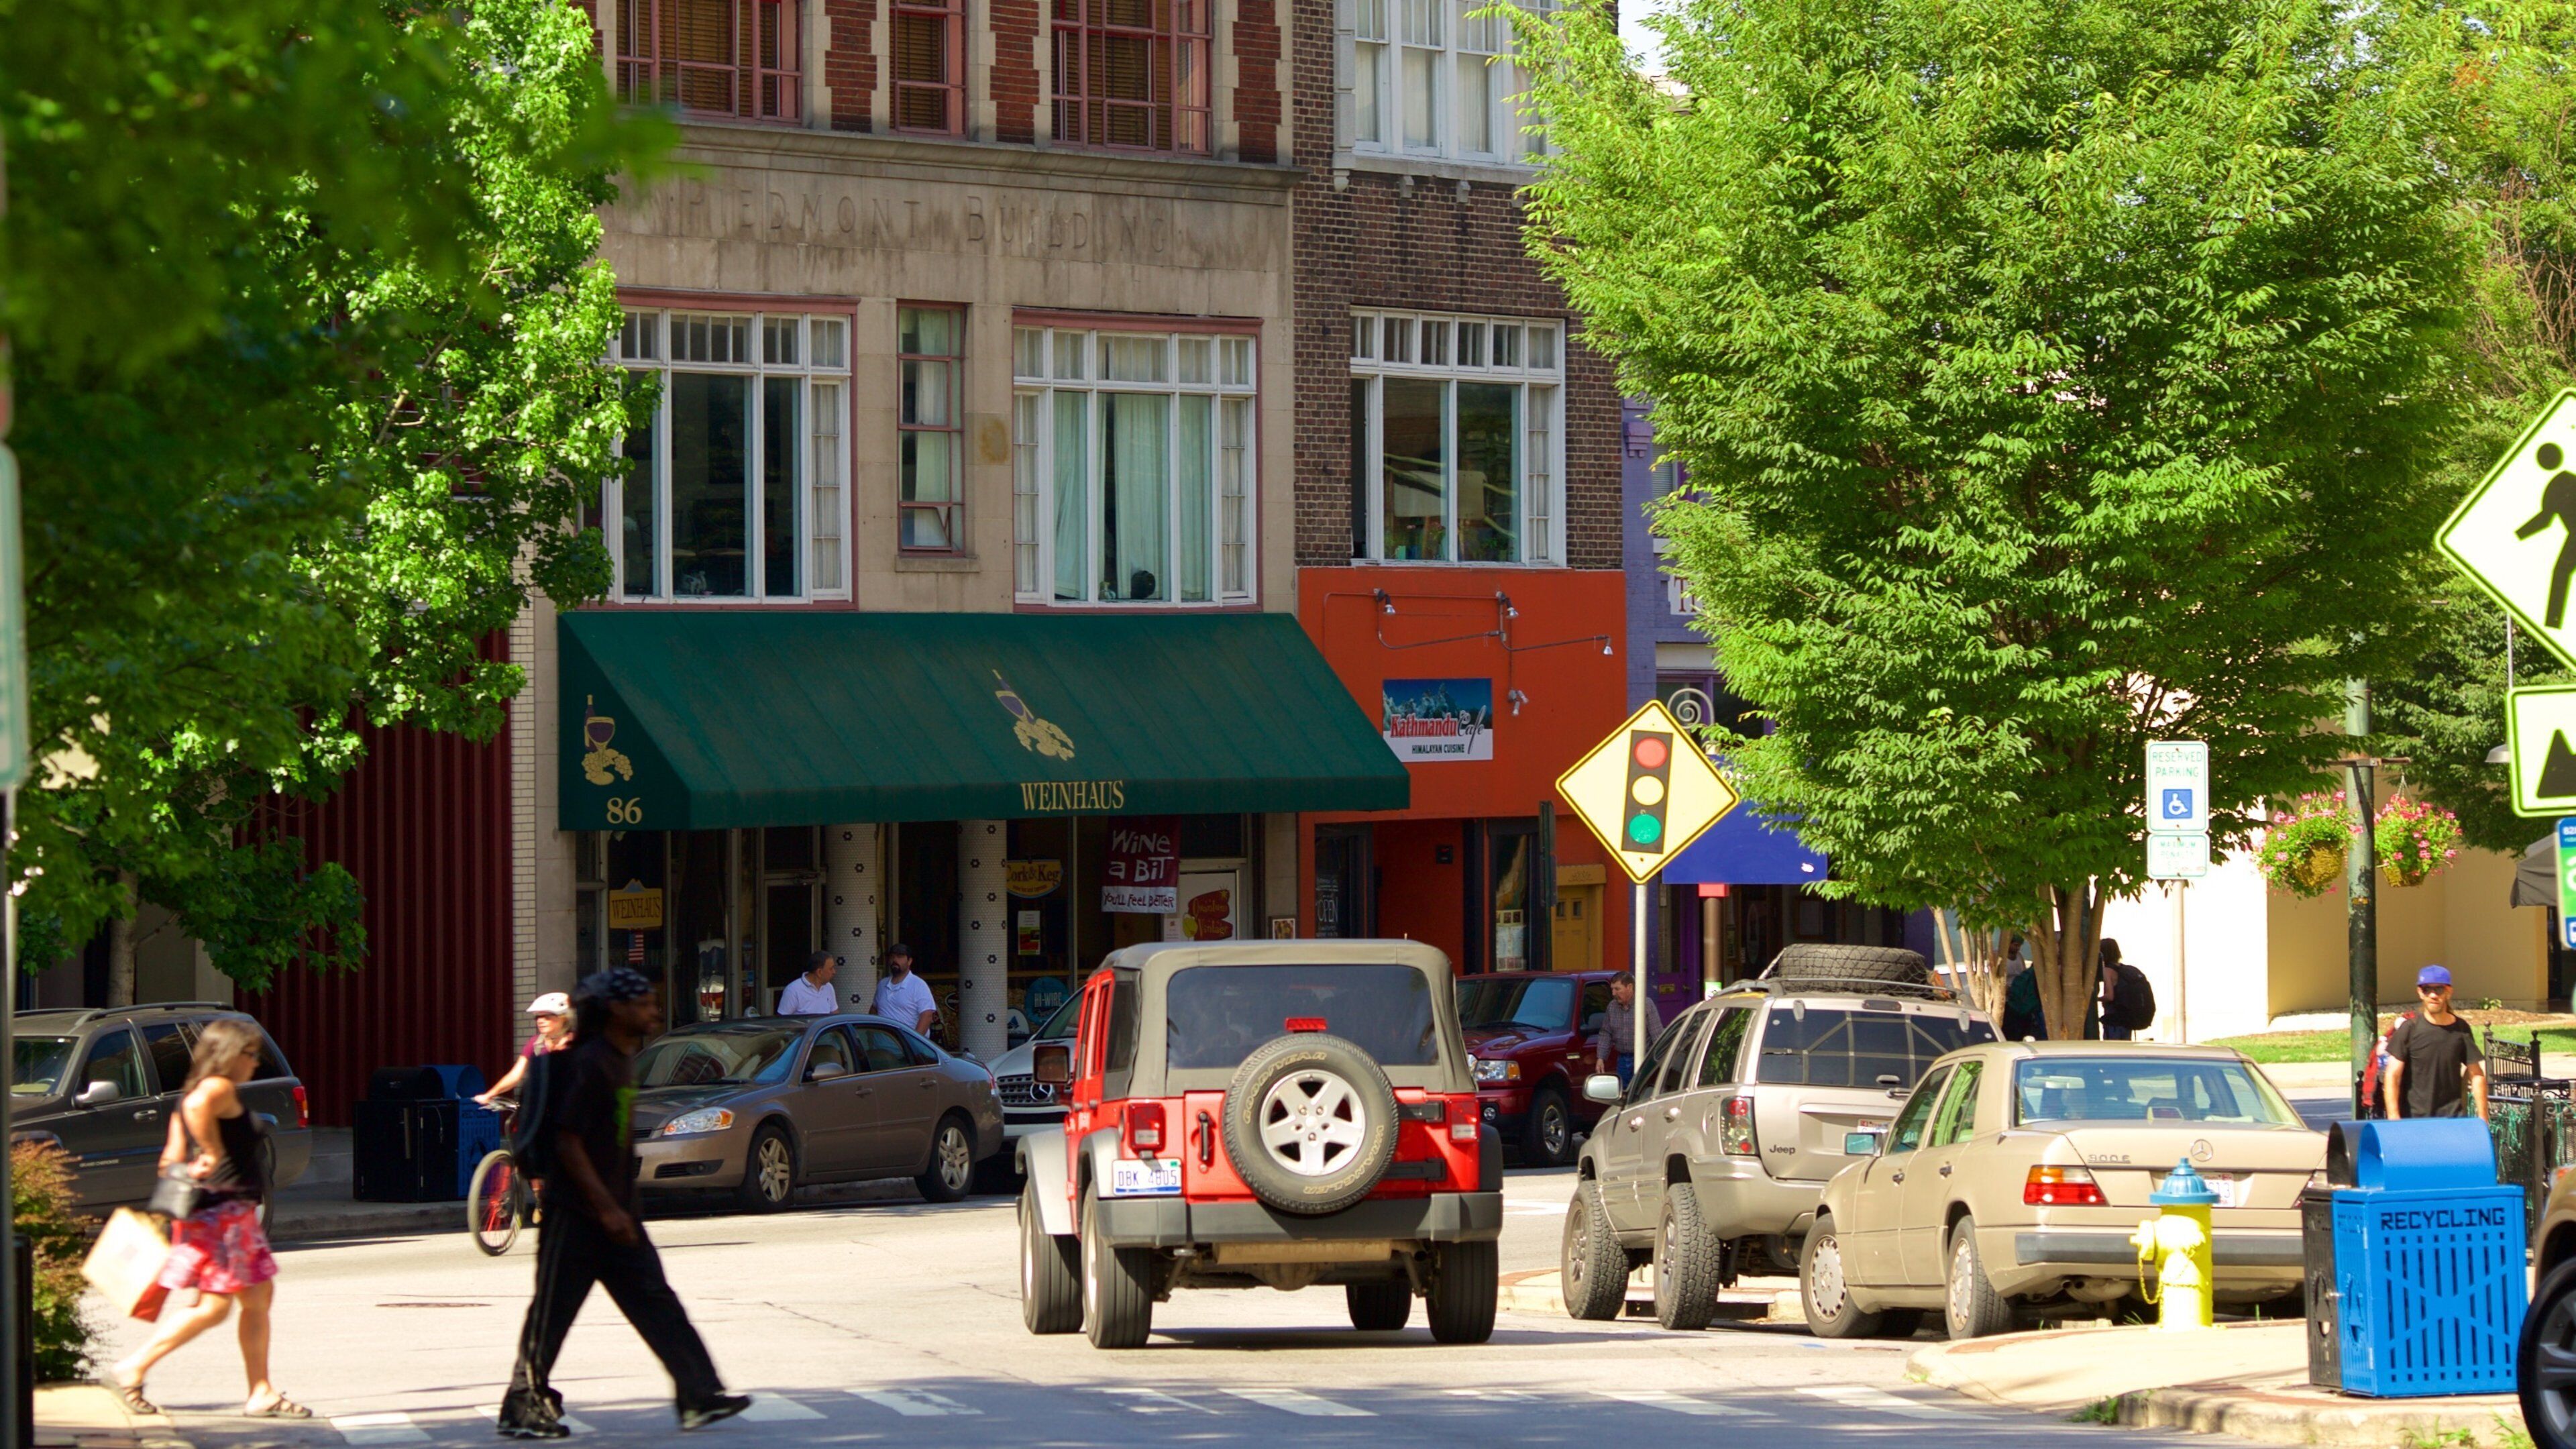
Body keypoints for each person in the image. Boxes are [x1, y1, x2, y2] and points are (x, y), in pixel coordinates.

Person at [498, 969, 748, 1438]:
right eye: (644, 1003)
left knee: (658, 1303)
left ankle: (699, 1394)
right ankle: (522, 1405)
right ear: (616, 1010)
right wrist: (607, 1208)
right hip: (576, 1216)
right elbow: (568, 1142)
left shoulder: (620, 1059)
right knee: (551, 1315)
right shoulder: (590, 1062)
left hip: (617, 1215)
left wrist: (622, 1208)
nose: (654, 1011)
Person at [105, 1020, 305, 1419]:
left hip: (218, 1214)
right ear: (230, 1055)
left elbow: (169, 1160)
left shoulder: (189, 1095)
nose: (255, 1063)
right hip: (224, 1216)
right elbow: (201, 1115)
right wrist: (212, 1151)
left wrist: (202, 1158)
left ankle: (261, 1392)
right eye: (250, 1054)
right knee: (214, 1308)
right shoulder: (216, 1088)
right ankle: (132, 1368)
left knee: (256, 1298)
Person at [2383, 965, 2489, 1120]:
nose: (2433, 995)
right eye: (2427, 989)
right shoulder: (2409, 1029)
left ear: (2449, 992)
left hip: (2452, 1120)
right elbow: (2392, 1075)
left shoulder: (2461, 1029)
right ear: (2420, 993)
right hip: (2415, 1121)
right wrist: (2394, 1118)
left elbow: (2477, 1075)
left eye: (2439, 989)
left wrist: (2483, 1118)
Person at [478, 993, 574, 1106]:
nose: (540, 1021)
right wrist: (490, 1094)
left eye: (547, 1016)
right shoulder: (536, 1043)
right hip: (543, 1106)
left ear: (563, 1018)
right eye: (537, 1017)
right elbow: (515, 1075)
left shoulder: (577, 1043)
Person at [1593, 975, 1662, 1089]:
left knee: (1642, 1090)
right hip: (1623, 1059)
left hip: (1644, 1059)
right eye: (1612, 989)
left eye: (1617, 989)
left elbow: (1657, 1035)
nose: (1613, 993)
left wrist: (1660, 1061)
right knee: (1624, 1091)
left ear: (1629, 987)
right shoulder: (1612, 1007)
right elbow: (1606, 1033)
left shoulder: (1646, 1005)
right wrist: (1601, 1058)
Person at [871, 944, 938, 1036]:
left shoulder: (918, 985)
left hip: (906, 1042)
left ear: (909, 961)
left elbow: (927, 1016)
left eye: (900, 957)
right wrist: (870, 1035)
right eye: (892, 956)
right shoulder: (882, 984)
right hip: (882, 1042)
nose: (895, 960)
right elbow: (874, 1009)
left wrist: (914, 1041)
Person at [2097, 940, 2156, 1041]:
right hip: (2127, 1021)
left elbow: (2110, 996)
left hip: (2114, 1021)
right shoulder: (2124, 970)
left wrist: (2095, 999)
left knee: (2112, 1049)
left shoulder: (2107, 971)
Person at [777, 953, 841, 1016]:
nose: (834, 972)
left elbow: (835, 1013)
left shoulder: (829, 987)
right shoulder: (793, 990)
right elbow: (783, 1020)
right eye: (831, 969)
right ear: (819, 972)